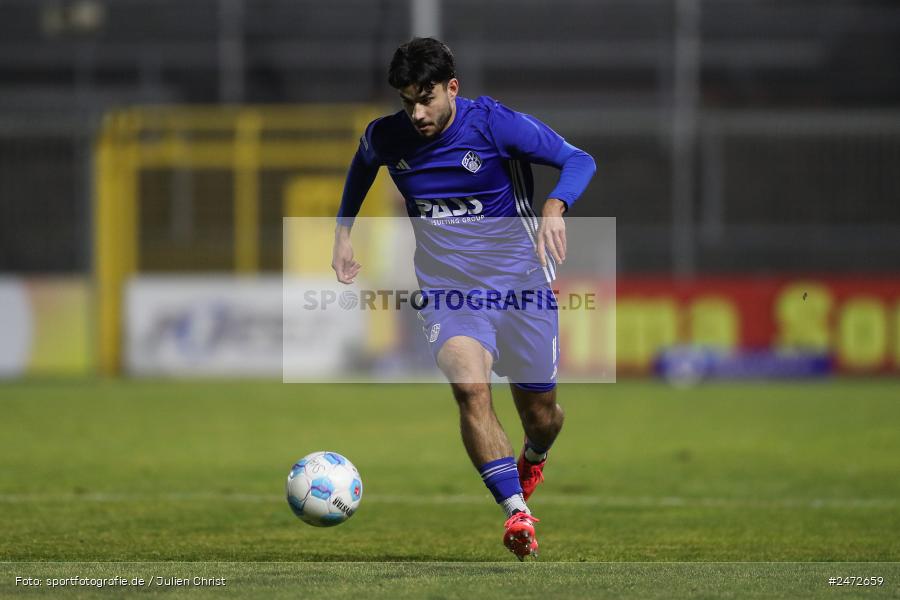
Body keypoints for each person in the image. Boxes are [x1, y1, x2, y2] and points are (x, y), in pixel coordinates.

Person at [332, 37, 595, 560]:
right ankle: (516, 511)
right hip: (449, 290)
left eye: (427, 99)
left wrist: (555, 207)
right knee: (470, 388)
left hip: (522, 282)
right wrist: (343, 232)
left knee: (542, 416)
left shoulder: (496, 126)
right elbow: (363, 164)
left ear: (452, 88)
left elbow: (578, 159)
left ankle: (535, 453)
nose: (418, 113)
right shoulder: (389, 136)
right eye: (408, 102)